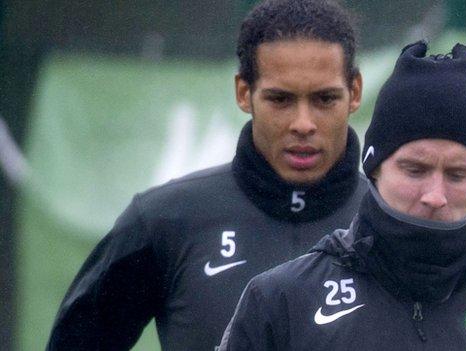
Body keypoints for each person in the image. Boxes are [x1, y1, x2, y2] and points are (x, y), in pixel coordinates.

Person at [46, 1, 366, 349]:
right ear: (244, 93)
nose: (303, 124)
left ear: (355, 93)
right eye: (280, 100)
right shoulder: (166, 220)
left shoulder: (393, 223)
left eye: (324, 99)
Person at [219, 41, 466, 350]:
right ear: (374, 167)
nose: (435, 196)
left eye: (458, 174)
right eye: (415, 170)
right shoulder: (282, 301)